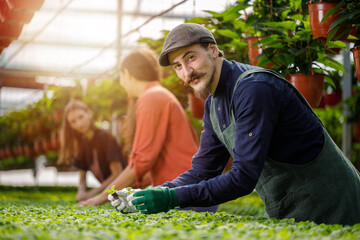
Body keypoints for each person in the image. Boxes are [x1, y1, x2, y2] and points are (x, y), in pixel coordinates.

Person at [125, 23, 360, 225]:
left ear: (213, 50)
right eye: (178, 66)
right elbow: (203, 170)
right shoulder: (212, 104)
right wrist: (159, 192)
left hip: (334, 203)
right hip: (293, 210)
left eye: (191, 57)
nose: (187, 72)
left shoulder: (254, 88)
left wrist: (171, 199)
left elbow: (243, 178)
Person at [78, 48, 213, 211]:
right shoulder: (157, 94)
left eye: (120, 77)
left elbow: (141, 162)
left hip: (185, 196)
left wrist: (101, 198)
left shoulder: (151, 97)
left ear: (127, 74)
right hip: (188, 192)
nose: (121, 83)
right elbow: (149, 165)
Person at [57, 100, 127, 201]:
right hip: (110, 195)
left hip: (124, 191)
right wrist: (81, 191)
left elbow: (117, 173)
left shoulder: (105, 137)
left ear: (89, 114)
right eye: (73, 122)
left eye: (81, 117)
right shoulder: (82, 143)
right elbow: (82, 175)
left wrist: (93, 193)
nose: (79, 124)